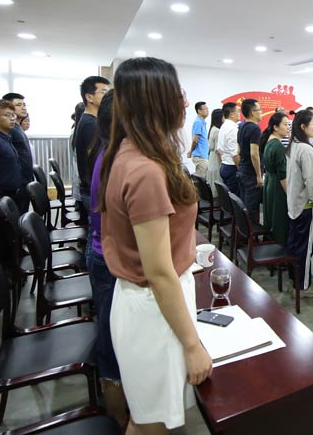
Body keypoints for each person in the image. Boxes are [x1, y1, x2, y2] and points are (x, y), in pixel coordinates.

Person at [100, 57, 212, 434]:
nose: (185, 101)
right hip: (153, 309)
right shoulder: (145, 169)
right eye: (178, 93)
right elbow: (159, 271)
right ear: (158, 101)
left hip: (152, 302)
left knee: (151, 416)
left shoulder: (133, 151)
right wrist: (192, 344)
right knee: (151, 424)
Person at [83, 90, 128, 426]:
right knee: (112, 344)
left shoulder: (109, 151)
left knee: (112, 337)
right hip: (109, 259)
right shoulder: (116, 159)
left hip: (103, 252)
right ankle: (118, 418)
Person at [286, 109, 313, 298]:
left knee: (295, 245)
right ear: (303, 126)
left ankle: (294, 280)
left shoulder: (294, 145)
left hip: (295, 204)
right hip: (306, 206)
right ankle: (302, 287)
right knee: (305, 248)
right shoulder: (306, 149)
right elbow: (311, 180)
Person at [75, 76, 111, 222]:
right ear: (89, 97)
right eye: (103, 92)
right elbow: (97, 160)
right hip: (93, 191)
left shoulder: (92, 121)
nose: (108, 96)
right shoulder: (90, 124)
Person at [260, 113, 291, 245]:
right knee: (279, 220)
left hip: (269, 182)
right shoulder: (278, 146)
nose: (288, 127)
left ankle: (270, 245)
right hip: (278, 186)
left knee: (270, 217)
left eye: (288, 124)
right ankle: (279, 250)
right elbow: (282, 175)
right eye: (285, 124)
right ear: (275, 127)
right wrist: (289, 195)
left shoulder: (269, 141)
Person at [1, 92, 34, 206]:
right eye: (18, 105)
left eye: (24, 104)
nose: (23, 107)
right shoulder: (11, 129)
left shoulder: (18, 128)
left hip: (25, 180)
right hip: (19, 183)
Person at [237, 99, 264, 223]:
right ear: (253, 112)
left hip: (242, 170)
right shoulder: (255, 129)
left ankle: (243, 232)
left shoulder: (242, 126)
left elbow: (238, 150)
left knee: (243, 207)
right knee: (251, 211)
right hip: (251, 174)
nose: (261, 112)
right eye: (259, 110)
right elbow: (254, 154)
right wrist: (259, 175)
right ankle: (251, 233)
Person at [217, 102, 240, 195]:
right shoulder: (232, 128)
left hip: (224, 165)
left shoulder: (224, 126)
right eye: (238, 111)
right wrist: (240, 170)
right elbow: (235, 154)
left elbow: (219, 150)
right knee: (234, 198)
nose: (240, 114)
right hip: (232, 167)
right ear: (232, 114)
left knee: (228, 197)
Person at [188, 101, 210, 177]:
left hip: (203, 155)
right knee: (201, 180)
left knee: (203, 179)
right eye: (205, 109)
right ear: (199, 111)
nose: (207, 111)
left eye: (207, 109)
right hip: (200, 156)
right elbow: (195, 140)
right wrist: (191, 151)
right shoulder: (198, 122)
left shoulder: (202, 122)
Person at [206, 109, 223, 197]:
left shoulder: (212, 128)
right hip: (216, 161)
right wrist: (222, 164)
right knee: (218, 184)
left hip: (211, 160)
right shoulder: (218, 131)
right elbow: (218, 151)